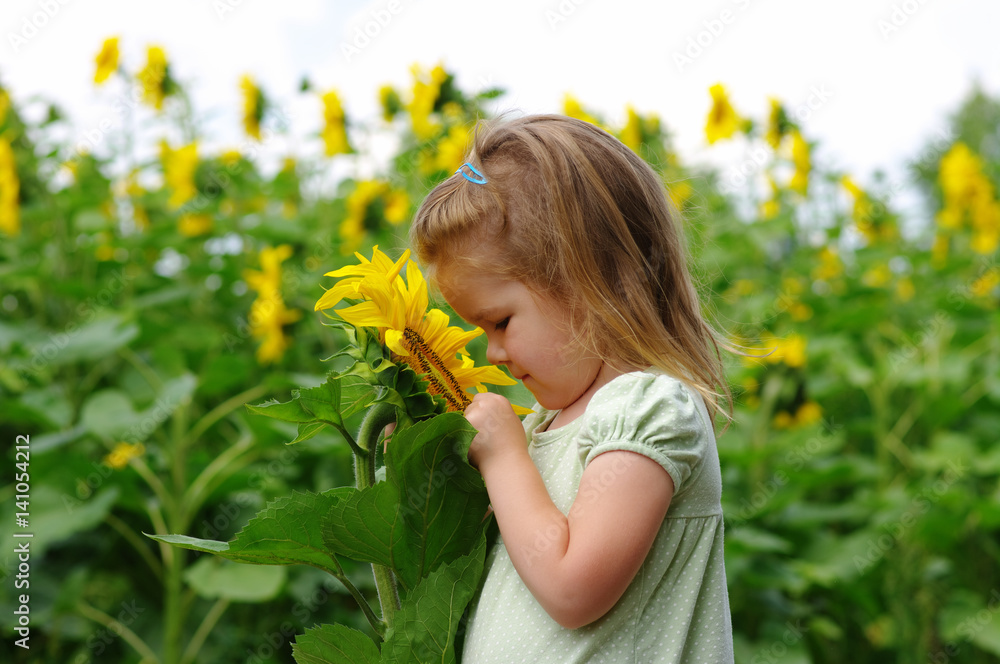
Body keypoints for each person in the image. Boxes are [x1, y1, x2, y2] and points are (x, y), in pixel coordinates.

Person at [409, 114, 735, 663]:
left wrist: (503, 454)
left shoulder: (649, 407)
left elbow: (572, 587)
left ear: (588, 280)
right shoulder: (542, 426)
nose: (493, 353)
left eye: (501, 322)